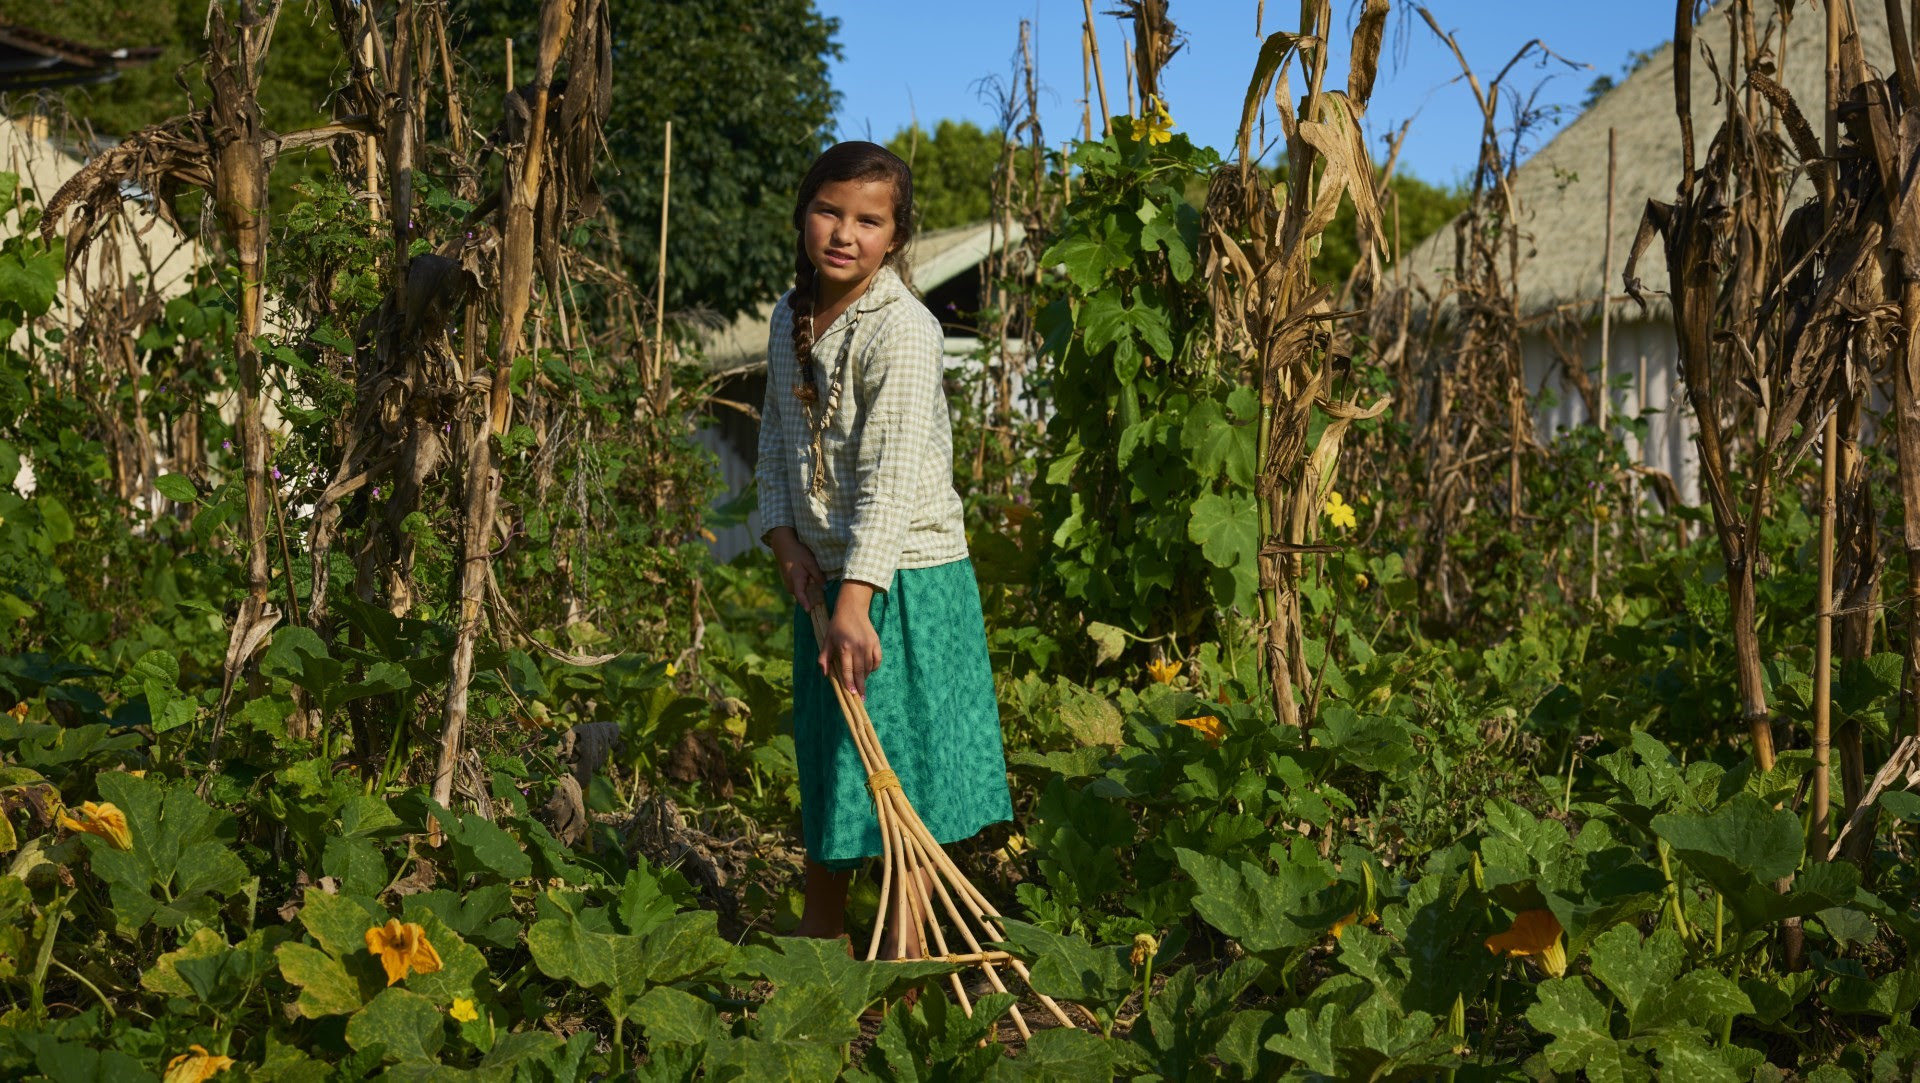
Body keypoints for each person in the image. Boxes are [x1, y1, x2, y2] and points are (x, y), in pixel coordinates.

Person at [754, 141, 1013, 958]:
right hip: (826, 580)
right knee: (836, 757)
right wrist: (783, 537)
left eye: (869, 221)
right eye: (829, 211)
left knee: (904, 764)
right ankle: (822, 925)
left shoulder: (903, 327)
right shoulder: (788, 316)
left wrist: (857, 599)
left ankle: (906, 951)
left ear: (895, 238)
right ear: (803, 214)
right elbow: (772, 440)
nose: (843, 233)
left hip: (903, 581)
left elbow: (891, 474)